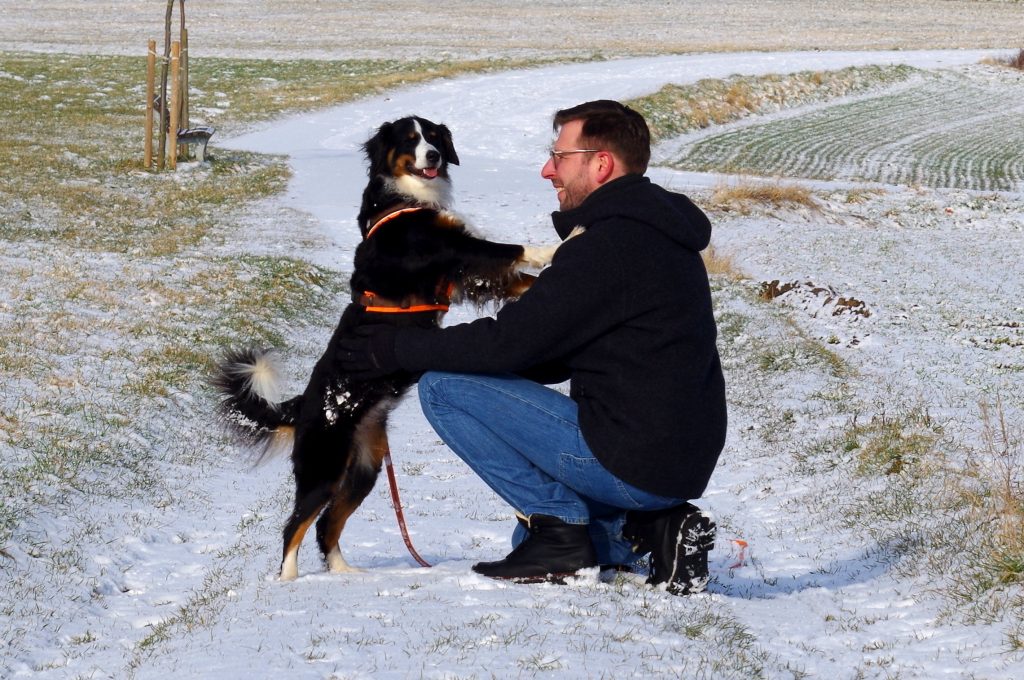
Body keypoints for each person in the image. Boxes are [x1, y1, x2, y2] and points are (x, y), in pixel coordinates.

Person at [338, 99, 726, 594]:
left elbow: (508, 345)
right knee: (526, 533)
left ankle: (573, 534)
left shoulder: (608, 245)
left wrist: (396, 350)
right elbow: (544, 353)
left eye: (559, 157)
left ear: (600, 163)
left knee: (443, 388)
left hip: (633, 461)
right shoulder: (656, 231)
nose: (547, 170)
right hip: (674, 458)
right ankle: (651, 531)